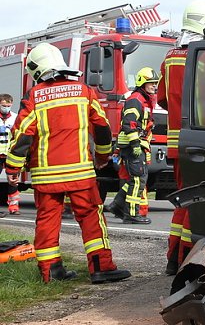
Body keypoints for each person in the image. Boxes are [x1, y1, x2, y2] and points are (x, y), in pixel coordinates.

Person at [5, 42, 130, 283]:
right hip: (80, 173)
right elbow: (102, 127)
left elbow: (22, 135)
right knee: (91, 219)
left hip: (46, 177)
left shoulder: (34, 96)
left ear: (37, 69)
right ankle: (100, 268)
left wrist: (13, 168)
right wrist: (102, 157)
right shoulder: (84, 91)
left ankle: (52, 273)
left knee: (47, 222)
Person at [158, 0, 205, 275]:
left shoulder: (171, 57)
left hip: (179, 145)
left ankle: (173, 259)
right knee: (201, 206)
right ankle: (189, 260)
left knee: (184, 203)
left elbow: (163, 98)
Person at [107, 67, 159, 225]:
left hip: (138, 144)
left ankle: (116, 206)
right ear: (142, 83)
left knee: (135, 179)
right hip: (133, 145)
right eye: (151, 83)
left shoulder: (143, 100)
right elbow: (129, 124)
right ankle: (131, 214)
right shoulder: (135, 100)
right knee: (137, 181)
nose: (154, 86)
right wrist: (135, 144)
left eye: (156, 83)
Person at [0, 93, 20, 214]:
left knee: (13, 181)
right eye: (3, 105)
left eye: (8, 105)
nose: (6, 107)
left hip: (10, 154)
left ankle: (14, 207)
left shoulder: (15, 117)